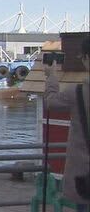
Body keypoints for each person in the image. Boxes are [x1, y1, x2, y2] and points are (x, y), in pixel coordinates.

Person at [44, 36, 90, 211]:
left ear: (86, 58)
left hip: (84, 175)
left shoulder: (78, 92)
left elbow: (51, 102)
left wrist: (52, 76)